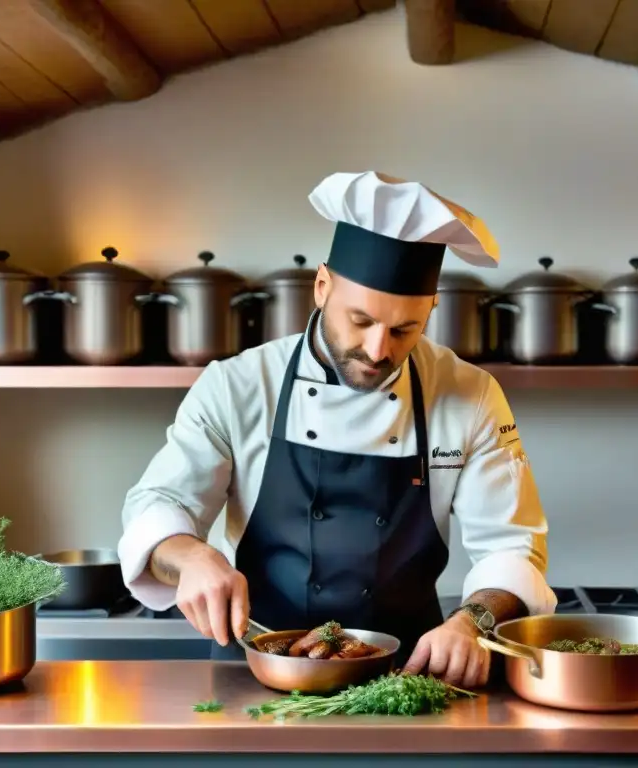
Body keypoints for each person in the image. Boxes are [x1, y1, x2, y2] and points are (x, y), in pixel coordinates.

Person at [117, 170, 557, 689]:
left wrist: (472, 621)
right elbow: (158, 505)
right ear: (321, 286)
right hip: (256, 668)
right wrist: (191, 555)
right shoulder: (236, 385)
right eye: (361, 321)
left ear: (431, 308)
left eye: (404, 330)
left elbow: (512, 547)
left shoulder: (471, 394)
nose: (378, 351)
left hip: (412, 675)